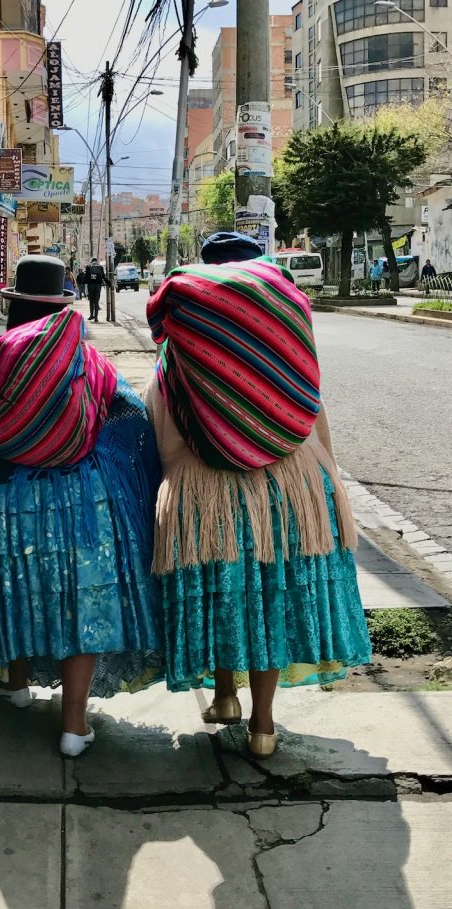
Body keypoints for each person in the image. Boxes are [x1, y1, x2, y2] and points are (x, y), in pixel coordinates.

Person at [146, 259, 371, 758]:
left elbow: (162, 438)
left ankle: (224, 695)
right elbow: (314, 427)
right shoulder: (289, 357)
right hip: (287, 489)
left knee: (224, 594)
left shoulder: (174, 361)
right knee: (268, 600)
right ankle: (263, 724)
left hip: (202, 491)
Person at [0, 255, 162, 757]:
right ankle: (73, 726)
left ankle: (18, 685)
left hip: (6, 500)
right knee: (81, 603)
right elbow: (131, 416)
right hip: (83, 500)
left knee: (18, 586)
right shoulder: (88, 362)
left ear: (16, 306)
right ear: (63, 304)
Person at [84, 256, 109, 322]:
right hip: (98, 286)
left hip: (90, 286)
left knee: (91, 301)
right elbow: (103, 276)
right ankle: (96, 318)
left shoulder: (88, 267)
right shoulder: (100, 267)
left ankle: (91, 315)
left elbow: (86, 277)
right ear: (96, 261)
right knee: (96, 301)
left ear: (91, 261)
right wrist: (108, 283)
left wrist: (85, 283)